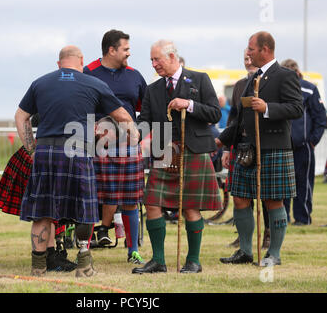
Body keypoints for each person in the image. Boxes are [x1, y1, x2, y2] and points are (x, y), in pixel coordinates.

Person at [15, 45, 139, 277]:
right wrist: (134, 134)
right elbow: (123, 116)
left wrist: (32, 148)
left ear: (59, 63)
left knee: (42, 210)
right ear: (81, 61)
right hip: (78, 151)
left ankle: (38, 267)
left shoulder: (40, 83)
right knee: (84, 208)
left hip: (45, 151)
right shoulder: (94, 83)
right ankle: (84, 264)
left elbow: (21, 115)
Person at [134, 39, 222, 274]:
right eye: (151, 60)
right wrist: (132, 134)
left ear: (172, 57)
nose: (153, 64)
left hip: (193, 151)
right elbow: (145, 121)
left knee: (190, 207)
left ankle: (193, 261)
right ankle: (158, 261)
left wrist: (190, 104)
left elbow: (214, 113)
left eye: (157, 59)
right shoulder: (153, 89)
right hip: (164, 152)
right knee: (152, 203)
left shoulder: (199, 79)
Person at [217, 31, 303, 267]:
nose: (248, 52)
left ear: (265, 49)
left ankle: (273, 254)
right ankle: (245, 251)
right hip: (246, 149)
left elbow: (297, 108)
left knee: (273, 201)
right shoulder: (251, 79)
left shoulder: (285, 76)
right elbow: (238, 119)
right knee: (241, 199)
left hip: (273, 147)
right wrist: (221, 141)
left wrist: (267, 108)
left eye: (251, 49)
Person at [83, 29, 146, 264]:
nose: (129, 53)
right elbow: (80, 106)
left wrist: (140, 134)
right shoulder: (88, 72)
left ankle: (133, 251)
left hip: (129, 146)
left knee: (130, 198)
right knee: (91, 197)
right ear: (111, 50)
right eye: (125, 49)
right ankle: (84, 250)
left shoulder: (135, 75)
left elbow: (143, 108)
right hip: (97, 146)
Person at [0, 115, 77, 272]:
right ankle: (50, 257)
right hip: (43, 153)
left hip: (48, 151)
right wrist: (32, 150)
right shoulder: (46, 94)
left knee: (51, 208)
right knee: (47, 209)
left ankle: (53, 253)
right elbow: (22, 116)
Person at [224, 49, 271, 250]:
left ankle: (268, 233)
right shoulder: (240, 86)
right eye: (245, 58)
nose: (248, 61)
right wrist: (227, 147)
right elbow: (233, 117)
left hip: (265, 145)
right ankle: (244, 237)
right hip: (242, 145)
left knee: (267, 195)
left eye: (251, 57)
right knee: (241, 194)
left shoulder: (270, 82)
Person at [281, 59, 327, 225]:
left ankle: (302, 218)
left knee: (304, 183)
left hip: (304, 146)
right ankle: (282, 217)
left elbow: (321, 118)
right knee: (282, 184)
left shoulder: (309, 88)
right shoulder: (279, 89)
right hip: (282, 145)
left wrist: (312, 141)